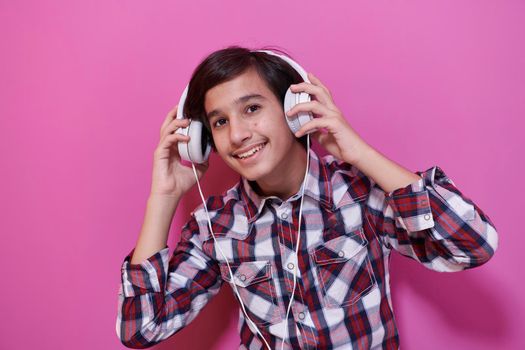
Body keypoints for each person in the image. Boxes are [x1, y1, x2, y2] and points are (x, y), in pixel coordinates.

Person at [115, 45, 499, 349]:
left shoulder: (360, 193)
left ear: (294, 110)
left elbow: (472, 244)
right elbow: (141, 328)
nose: (237, 135)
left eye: (251, 108)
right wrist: (163, 197)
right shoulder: (215, 226)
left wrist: (358, 153)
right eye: (220, 122)